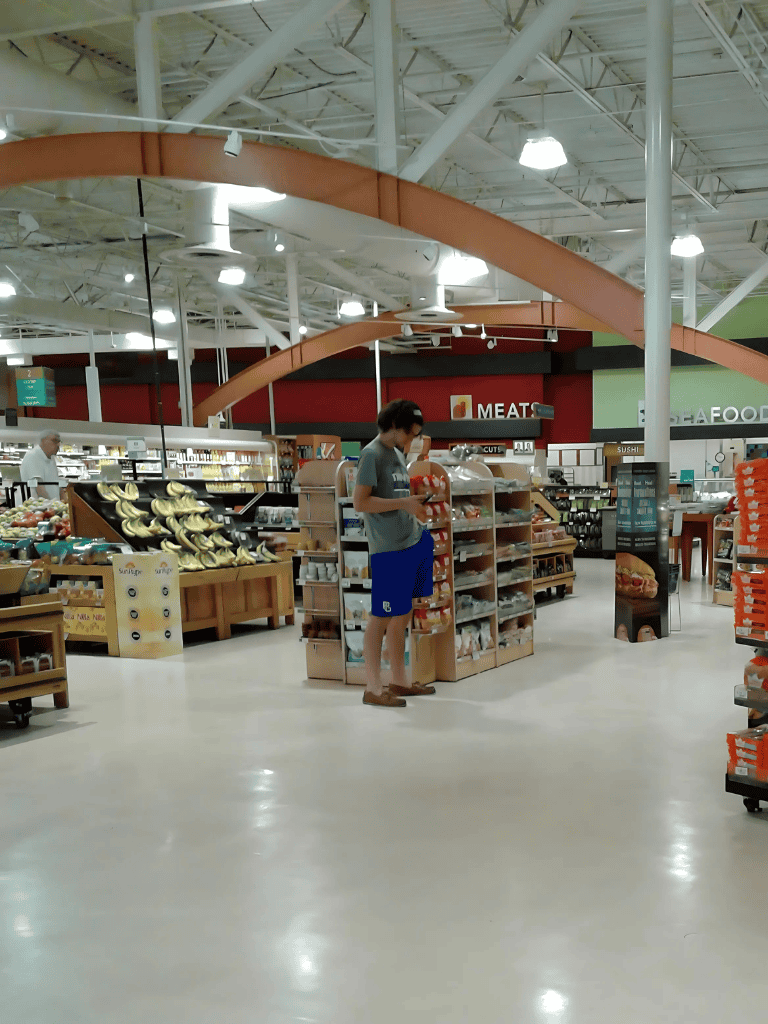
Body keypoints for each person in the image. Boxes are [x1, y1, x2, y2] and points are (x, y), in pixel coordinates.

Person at [354, 399, 435, 708]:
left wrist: (415, 505)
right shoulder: (371, 455)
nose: (412, 439)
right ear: (393, 426)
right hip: (388, 549)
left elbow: (398, 496)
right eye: (410, 433)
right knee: (382, 616)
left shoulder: (398, 455)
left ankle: (399, 680)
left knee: (403, 614)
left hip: (412, 541)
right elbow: (360, 502)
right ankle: (373, 687)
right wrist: (403, 504)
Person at [20, 430, 62, 499]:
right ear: (43, 441)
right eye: (54, 441)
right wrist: (50, 504)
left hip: (51, 504)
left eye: (59, 442)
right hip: (38, 504)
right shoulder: (33, 456)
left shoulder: (51, 458)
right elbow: (38, 487)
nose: (58, 445)